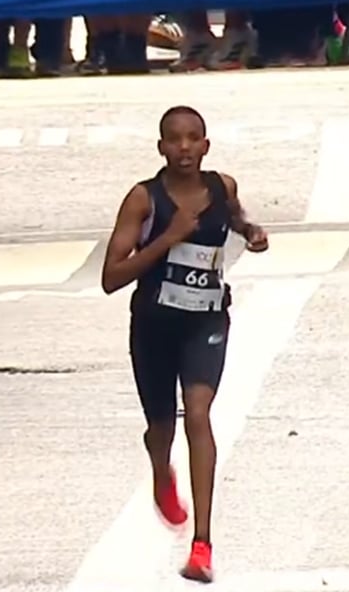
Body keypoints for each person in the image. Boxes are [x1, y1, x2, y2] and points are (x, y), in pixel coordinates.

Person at [99, 105, 269, 583]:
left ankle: (203, 544)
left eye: (193, 139)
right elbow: (111, 277)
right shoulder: (143, 200)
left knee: (197, 414)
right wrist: (167, 240)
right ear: (161, 148)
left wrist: (251, 233)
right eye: (174, 140)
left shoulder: (222, 187)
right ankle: (160, 471)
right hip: (154, 324)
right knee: (161, 429)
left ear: (206, 145)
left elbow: (234, 219)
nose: (184, 148)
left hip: (206, 321)